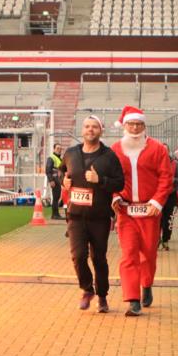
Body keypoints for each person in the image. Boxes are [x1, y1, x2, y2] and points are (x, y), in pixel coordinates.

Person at [110, 106, 174, 317]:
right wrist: (115, 196)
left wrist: (157, 202)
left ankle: (146, 284)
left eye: (139, 124)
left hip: (149, 211)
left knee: (148, 254)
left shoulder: (157, 149)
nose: (135, 128)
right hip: (126, 211)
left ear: (144, 126)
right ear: (125, 126)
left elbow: (166, 177)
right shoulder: (115, 150)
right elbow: (110, 179)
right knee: (129, 255)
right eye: (131, 124)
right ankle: (133, 299)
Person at [60, 115, 124, 313]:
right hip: (76, 216)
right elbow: (60, 171)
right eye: (87, 127)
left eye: (94, 127)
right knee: (78, 256)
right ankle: (87, 289)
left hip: (99, 217)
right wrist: (63, 181)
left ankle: (102, 296)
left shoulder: (109, 156)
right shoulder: (70, 153)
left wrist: (101, 180)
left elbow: (120, 183)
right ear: (82, 130)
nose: (90, 130)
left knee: (99, 258)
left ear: (100, 130)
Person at [159, 148, 178, 251]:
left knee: (168, 220)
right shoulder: (154, 162)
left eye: (166, 150)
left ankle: (165, 240)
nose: (163, 151)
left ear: (168, 151)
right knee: (157, 220)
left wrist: (172, 180)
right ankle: (156, 240)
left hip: (170, 195)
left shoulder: (175, 164)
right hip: (157, 196)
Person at [45, 143, 65, 219]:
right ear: (54, 149)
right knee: (56, 197)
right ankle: (55, 215)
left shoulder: (59, 158)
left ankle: (56, 214)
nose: (59, 150)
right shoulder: (51, 158)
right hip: (54, 180)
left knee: (57, 197)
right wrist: (51, 180)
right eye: (57, 148)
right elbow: (48, 170)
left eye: (60, 149)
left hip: (58, 180)